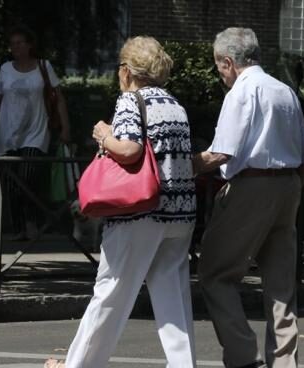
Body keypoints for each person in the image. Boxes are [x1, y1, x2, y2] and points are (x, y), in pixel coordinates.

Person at [44, 36, 197, 368]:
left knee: (110, 293)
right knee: (174, 298)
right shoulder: (175, 104)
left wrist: (103, 134)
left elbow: (129, 151)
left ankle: (78, 366)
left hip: (139, 215)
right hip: (180, 213)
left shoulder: (131, 100)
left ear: (127, 71)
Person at [192, 27, 304, 368]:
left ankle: (243, 354)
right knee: (280, 285)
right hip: (288, 184)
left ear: (228, 62)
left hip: (251, 186)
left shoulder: (242, 92)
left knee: (216, 273)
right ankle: (284, 362)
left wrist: (179, 166)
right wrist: (290, 187)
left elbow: (221, 153)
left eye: (219, 66)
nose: (220, 74)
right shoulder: (284, 91)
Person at [0, 24, 70, 240]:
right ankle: (20, 228)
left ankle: (32, 223)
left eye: (20, 43)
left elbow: (58, 99)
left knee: (27, 177)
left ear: (30, 45)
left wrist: (65, 128)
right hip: (8, 134)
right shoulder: (5, 69)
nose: (16, 47)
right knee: (11, 183)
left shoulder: (43, 66)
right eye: (12, 44)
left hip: (36, 132)